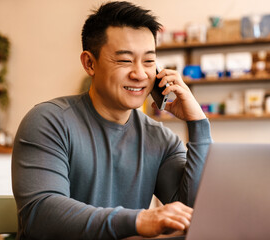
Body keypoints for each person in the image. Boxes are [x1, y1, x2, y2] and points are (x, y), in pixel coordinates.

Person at [12, 1, 212, 239]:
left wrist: (198, 124)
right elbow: (41, 214)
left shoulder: (161, 140)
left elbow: (194, 216)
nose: (139, 74)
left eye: (148, 61)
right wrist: (139, 220)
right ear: (89, 63)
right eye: (125, 60)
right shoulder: (48, 121)